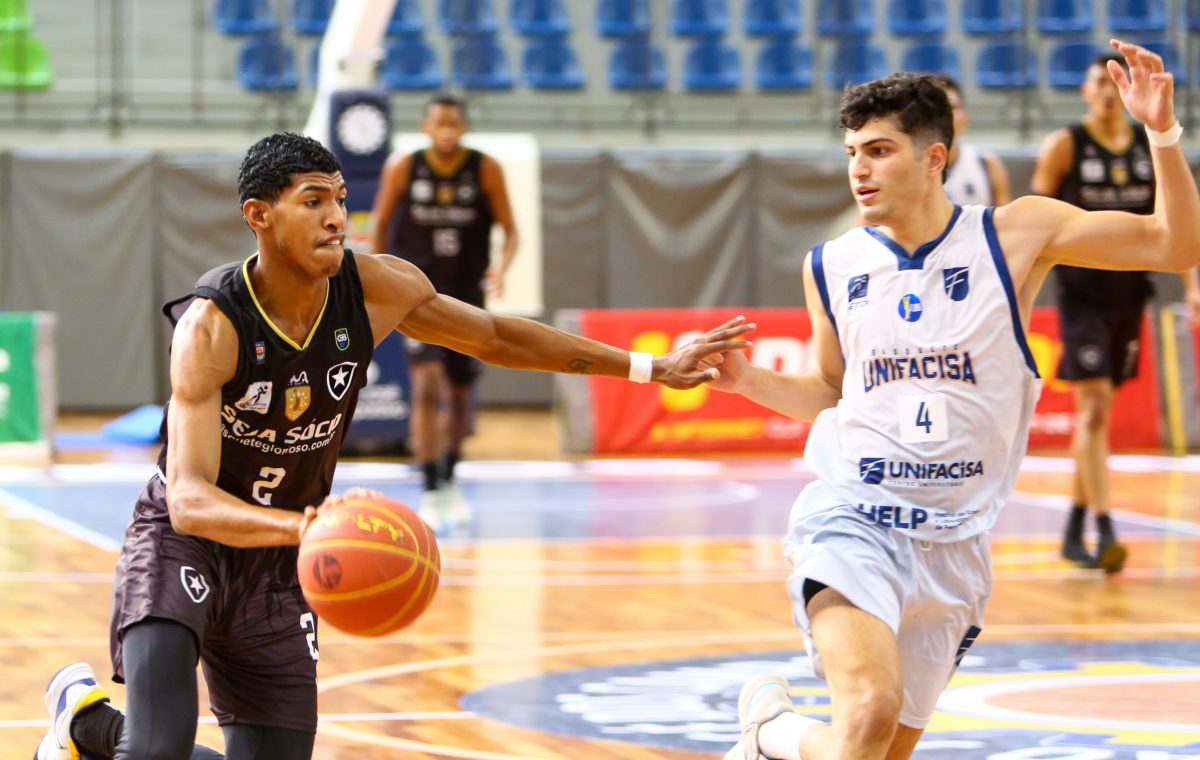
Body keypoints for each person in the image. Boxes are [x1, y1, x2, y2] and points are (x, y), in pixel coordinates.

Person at [35, 132, 752, 760]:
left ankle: (90, 726)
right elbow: (189, 501)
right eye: (313, 200)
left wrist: (651, 367)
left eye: (340, 199)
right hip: (185, 546)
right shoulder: (213, 325)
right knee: (153, 750)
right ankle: (93, 724)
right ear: (259, 215)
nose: (336, 216)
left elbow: (498, 337)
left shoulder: (379, 286)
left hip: (282, 563)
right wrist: (308, 528)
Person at [717, 40, 1199, 760]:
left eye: (879, 151)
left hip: (955, 543)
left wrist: (1161, 133)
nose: (858, 169)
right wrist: (744, 380)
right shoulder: (832, 264)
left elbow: (1174, 245)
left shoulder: (1015, 235)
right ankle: (773, 733)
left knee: (876, 750)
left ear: (934, 158)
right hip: (854, 516)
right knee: (868, 713)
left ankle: (774, 735)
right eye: (852, 152)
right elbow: (832, 393)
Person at [1031, 53, 1200, 573]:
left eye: (1113, 84)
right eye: (1097, 83)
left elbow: (1175, 221)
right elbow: (1032, 223)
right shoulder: (1065, 145)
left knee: (1099, 416)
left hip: (1130, 295)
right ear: (1085, 91)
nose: (1107, 92)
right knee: (1095, 408)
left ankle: (1073, 527)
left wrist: (1191, 283)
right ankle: (1104, 528)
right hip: (1082, 295)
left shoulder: (1147, 147)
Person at [369, 92, 517, 527]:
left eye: (454, 123)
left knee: (459, 393)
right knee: (426, 385)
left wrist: (502, 268)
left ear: (463, 127)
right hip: (417, 296)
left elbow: (511, 230)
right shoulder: (404, 166)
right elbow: (380, 223)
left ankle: (450, 476)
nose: (447, 131)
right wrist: (377, 275)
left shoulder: (485, 168)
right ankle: (431, 486)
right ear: (426, 127)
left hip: (468, 294)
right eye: (440, 123)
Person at [934, 75, 1012, 207]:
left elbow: (1006, 219)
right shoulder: (910, 168)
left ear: (965, 116)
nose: (945, 116)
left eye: (951, 107)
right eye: (937, 109)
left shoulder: (987, 165)